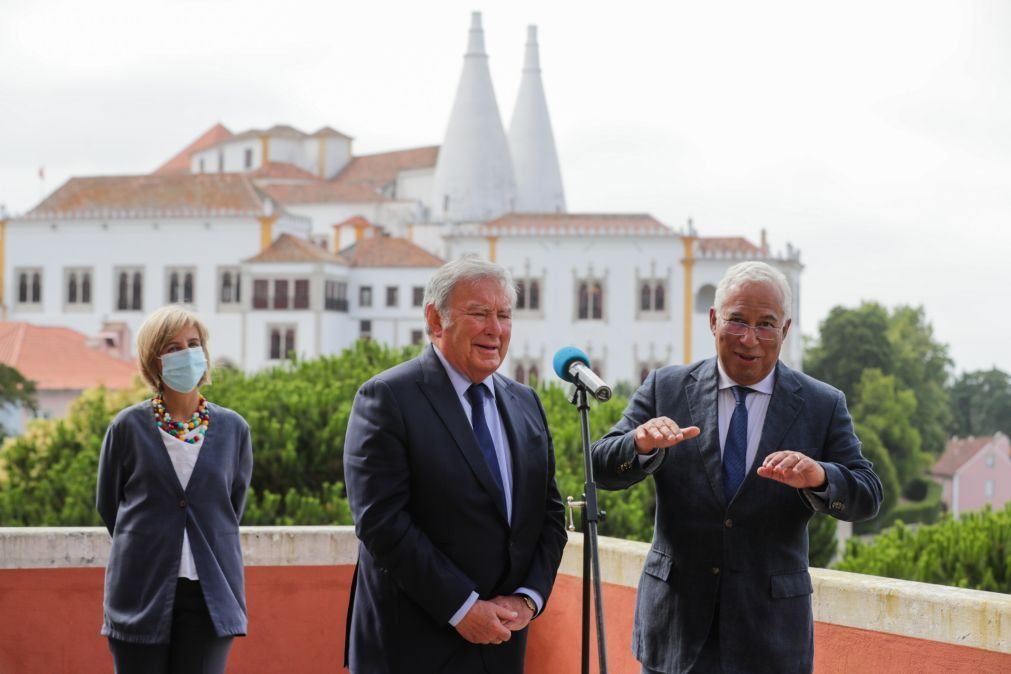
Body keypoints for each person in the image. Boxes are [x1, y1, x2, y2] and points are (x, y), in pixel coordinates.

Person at [591, 261, 883, 674]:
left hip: (770, 640)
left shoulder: (822, 404)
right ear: (713, 320)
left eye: (766, 324)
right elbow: (600, 466)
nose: (750, 339)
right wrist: (639, 444)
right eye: (737, 321)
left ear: (785, 330)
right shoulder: (665, 387)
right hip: (675, 631)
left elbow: (867, 494)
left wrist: (818, 476)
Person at [343, 257, 568, 673]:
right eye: (479, 313)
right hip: (411, 648)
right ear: (435, 319)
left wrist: (526, 599)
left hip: (501, 644)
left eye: (503, 315)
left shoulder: (526, 402)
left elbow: (550, 514)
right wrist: (462, 608)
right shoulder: (387, 397)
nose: (495, 329)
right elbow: (381, 520)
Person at [96, 305, 253, 674]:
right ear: (154, 362)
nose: (186, 353)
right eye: (172, 347)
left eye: (193, 343)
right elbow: (109, 507)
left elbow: (230, 507)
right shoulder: (127, 428)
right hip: (139, 592)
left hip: (209, 595)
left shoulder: (234, 429)